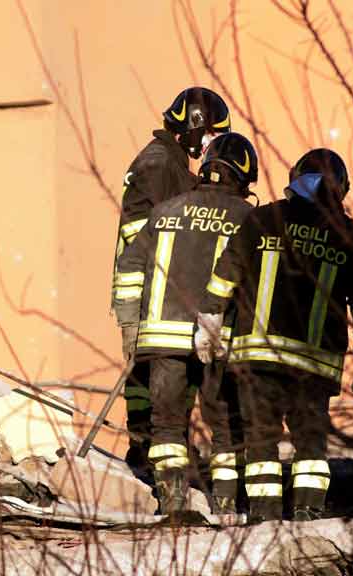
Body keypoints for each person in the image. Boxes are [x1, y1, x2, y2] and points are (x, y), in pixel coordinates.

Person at [196, 149, 353, 522]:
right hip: (314, 367)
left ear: (295, 178)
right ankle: (307, 514)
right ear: (340, 189)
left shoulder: (263, 219)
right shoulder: (352, 237)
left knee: (261, 442)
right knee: (311, 446)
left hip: (258, 358)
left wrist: (210, 320)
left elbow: (226, 272)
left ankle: (263, 521)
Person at [113, 132, 257, 516]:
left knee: (167, 428)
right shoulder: (248, 218)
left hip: (160, 339)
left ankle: (173, 504)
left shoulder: (165, 212)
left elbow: (129, 267)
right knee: (226, 430)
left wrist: (129, 324)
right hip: (217, 341)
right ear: (243, 179)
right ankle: (227, 509)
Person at [112, 87, 231, 480]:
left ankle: (163, 451)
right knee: (153, 378)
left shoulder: (172, 162)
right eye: (211, 133)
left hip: (160, 291)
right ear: (194, 127)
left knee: (168, 379)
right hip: (154, 293)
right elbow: (152, 235)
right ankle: (149, 454)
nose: (212, 143)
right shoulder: (160, 166)